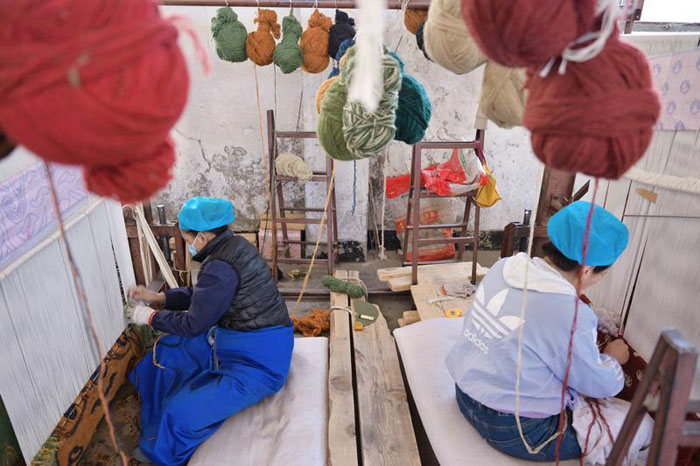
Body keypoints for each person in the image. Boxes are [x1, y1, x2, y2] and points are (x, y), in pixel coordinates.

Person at [446, 201, 652, 463]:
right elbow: (599, 385)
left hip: (466, 394)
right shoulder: (570, 315)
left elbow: (532, 317)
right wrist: (612, 358)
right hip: (513, 429)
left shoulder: (504, 267)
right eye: (601, 274)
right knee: (642, 426)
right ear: (587, 269)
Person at [126, 197, 293, 465]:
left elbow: (194, 324)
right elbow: (203, 296)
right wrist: (158, 298)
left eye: (187, 240)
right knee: (168, 352)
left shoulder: (220, 267)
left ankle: (164, 450)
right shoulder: (234, 247)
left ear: (202, 237)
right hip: (247, 340)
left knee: (179, 415)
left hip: (258, 363)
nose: (188, 245)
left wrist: (150, 317)